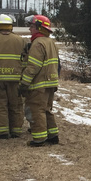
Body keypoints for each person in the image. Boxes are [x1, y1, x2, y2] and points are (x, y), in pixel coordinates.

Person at [20, 14, 60, 147]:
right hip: (50, 82)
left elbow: (33, 66)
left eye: (32, 26)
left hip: (39, 84)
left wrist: (24, 83)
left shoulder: (37, 43)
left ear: (39, 28)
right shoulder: (51, 42)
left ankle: (39, 138)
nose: (29, 29)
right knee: (46, 109)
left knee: (36, 110)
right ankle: (53, 135)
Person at [0, 14, 26, 138]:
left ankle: (2, 131)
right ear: (10, 26)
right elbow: (25, 60)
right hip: (15, 78)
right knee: (16, 105)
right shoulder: (20, 40)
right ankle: (16, 130)